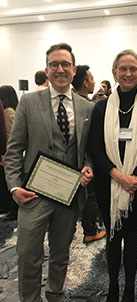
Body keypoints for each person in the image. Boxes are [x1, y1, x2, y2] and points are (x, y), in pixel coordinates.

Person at [4, 42, 94, 301]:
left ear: (74, 69)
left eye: (65, 64)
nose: (60, 69)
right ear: (47, 69)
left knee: (61, 253)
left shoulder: (86, 107)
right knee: (27, 255)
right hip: (33, 195)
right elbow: (14, 149)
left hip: (69, 195)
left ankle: (55, 294)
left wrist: (88, 168)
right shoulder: (29, 102)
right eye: (54, 64)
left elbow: (89, 151)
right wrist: (14, 186)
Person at [88, 49, 137, 302]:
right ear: (114, 73)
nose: (128, 74)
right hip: (109, 184)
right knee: (112, 238)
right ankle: (113, 288)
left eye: (133, 69)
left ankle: (129, 289)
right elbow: (94, 148)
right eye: (123, 69)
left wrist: (135, 177)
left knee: (132, 239)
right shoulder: (101, 108)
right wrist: (118, 175)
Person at [71, 65, 106, 243]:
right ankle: (90, 231)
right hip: (87, 161)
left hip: (75, 162)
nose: (94, 82)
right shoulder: (88, 107)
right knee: (90, 197)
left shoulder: (75, 103)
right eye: (91, 79)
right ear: (84, 83)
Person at [0, 85, 19, 219]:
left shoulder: (8, 112)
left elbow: (7, 134)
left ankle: (12, 209)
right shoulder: (13, 111)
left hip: (7, 154)